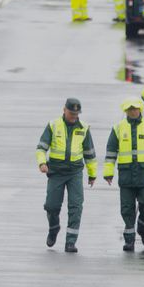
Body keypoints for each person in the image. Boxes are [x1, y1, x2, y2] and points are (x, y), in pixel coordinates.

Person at [35, 97, 98, 253]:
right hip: (55, 171)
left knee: (76, 206)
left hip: (75, 172)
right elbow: (41, 148)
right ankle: (54, 227)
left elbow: (89, 153)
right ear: (64, 110)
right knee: (51, 205)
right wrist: (42, 163)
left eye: (76, 113)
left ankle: (70, 241)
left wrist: (92, 174)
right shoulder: (53, 125)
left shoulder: (83, 128)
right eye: (71, 113)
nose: (73, 116)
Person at [103, 98, 144, 251]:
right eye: (130, 109)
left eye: (135, 109)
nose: (133, 111)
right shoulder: (118, 128)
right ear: (126, 111)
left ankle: (143, 229)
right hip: (126, 174)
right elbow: (111, 152)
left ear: (140, 109)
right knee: (127, 208)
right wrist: (108, 173)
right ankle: (129, 240)